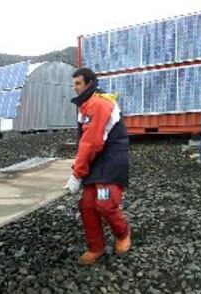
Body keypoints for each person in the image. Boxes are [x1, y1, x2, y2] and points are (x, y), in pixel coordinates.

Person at [65, 68, 131, 265]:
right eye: (73, 83)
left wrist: (77, 175)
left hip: (110, 164)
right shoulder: (86, 105)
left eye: (78, 83)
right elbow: (86, 141)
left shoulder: (99, 104)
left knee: (106, 203)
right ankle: (96, 247)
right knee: (86, 205)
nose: (74, 87)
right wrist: (80, 164)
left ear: (90, 83)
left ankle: (122, 234)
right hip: (96, 163)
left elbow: (91, 142)